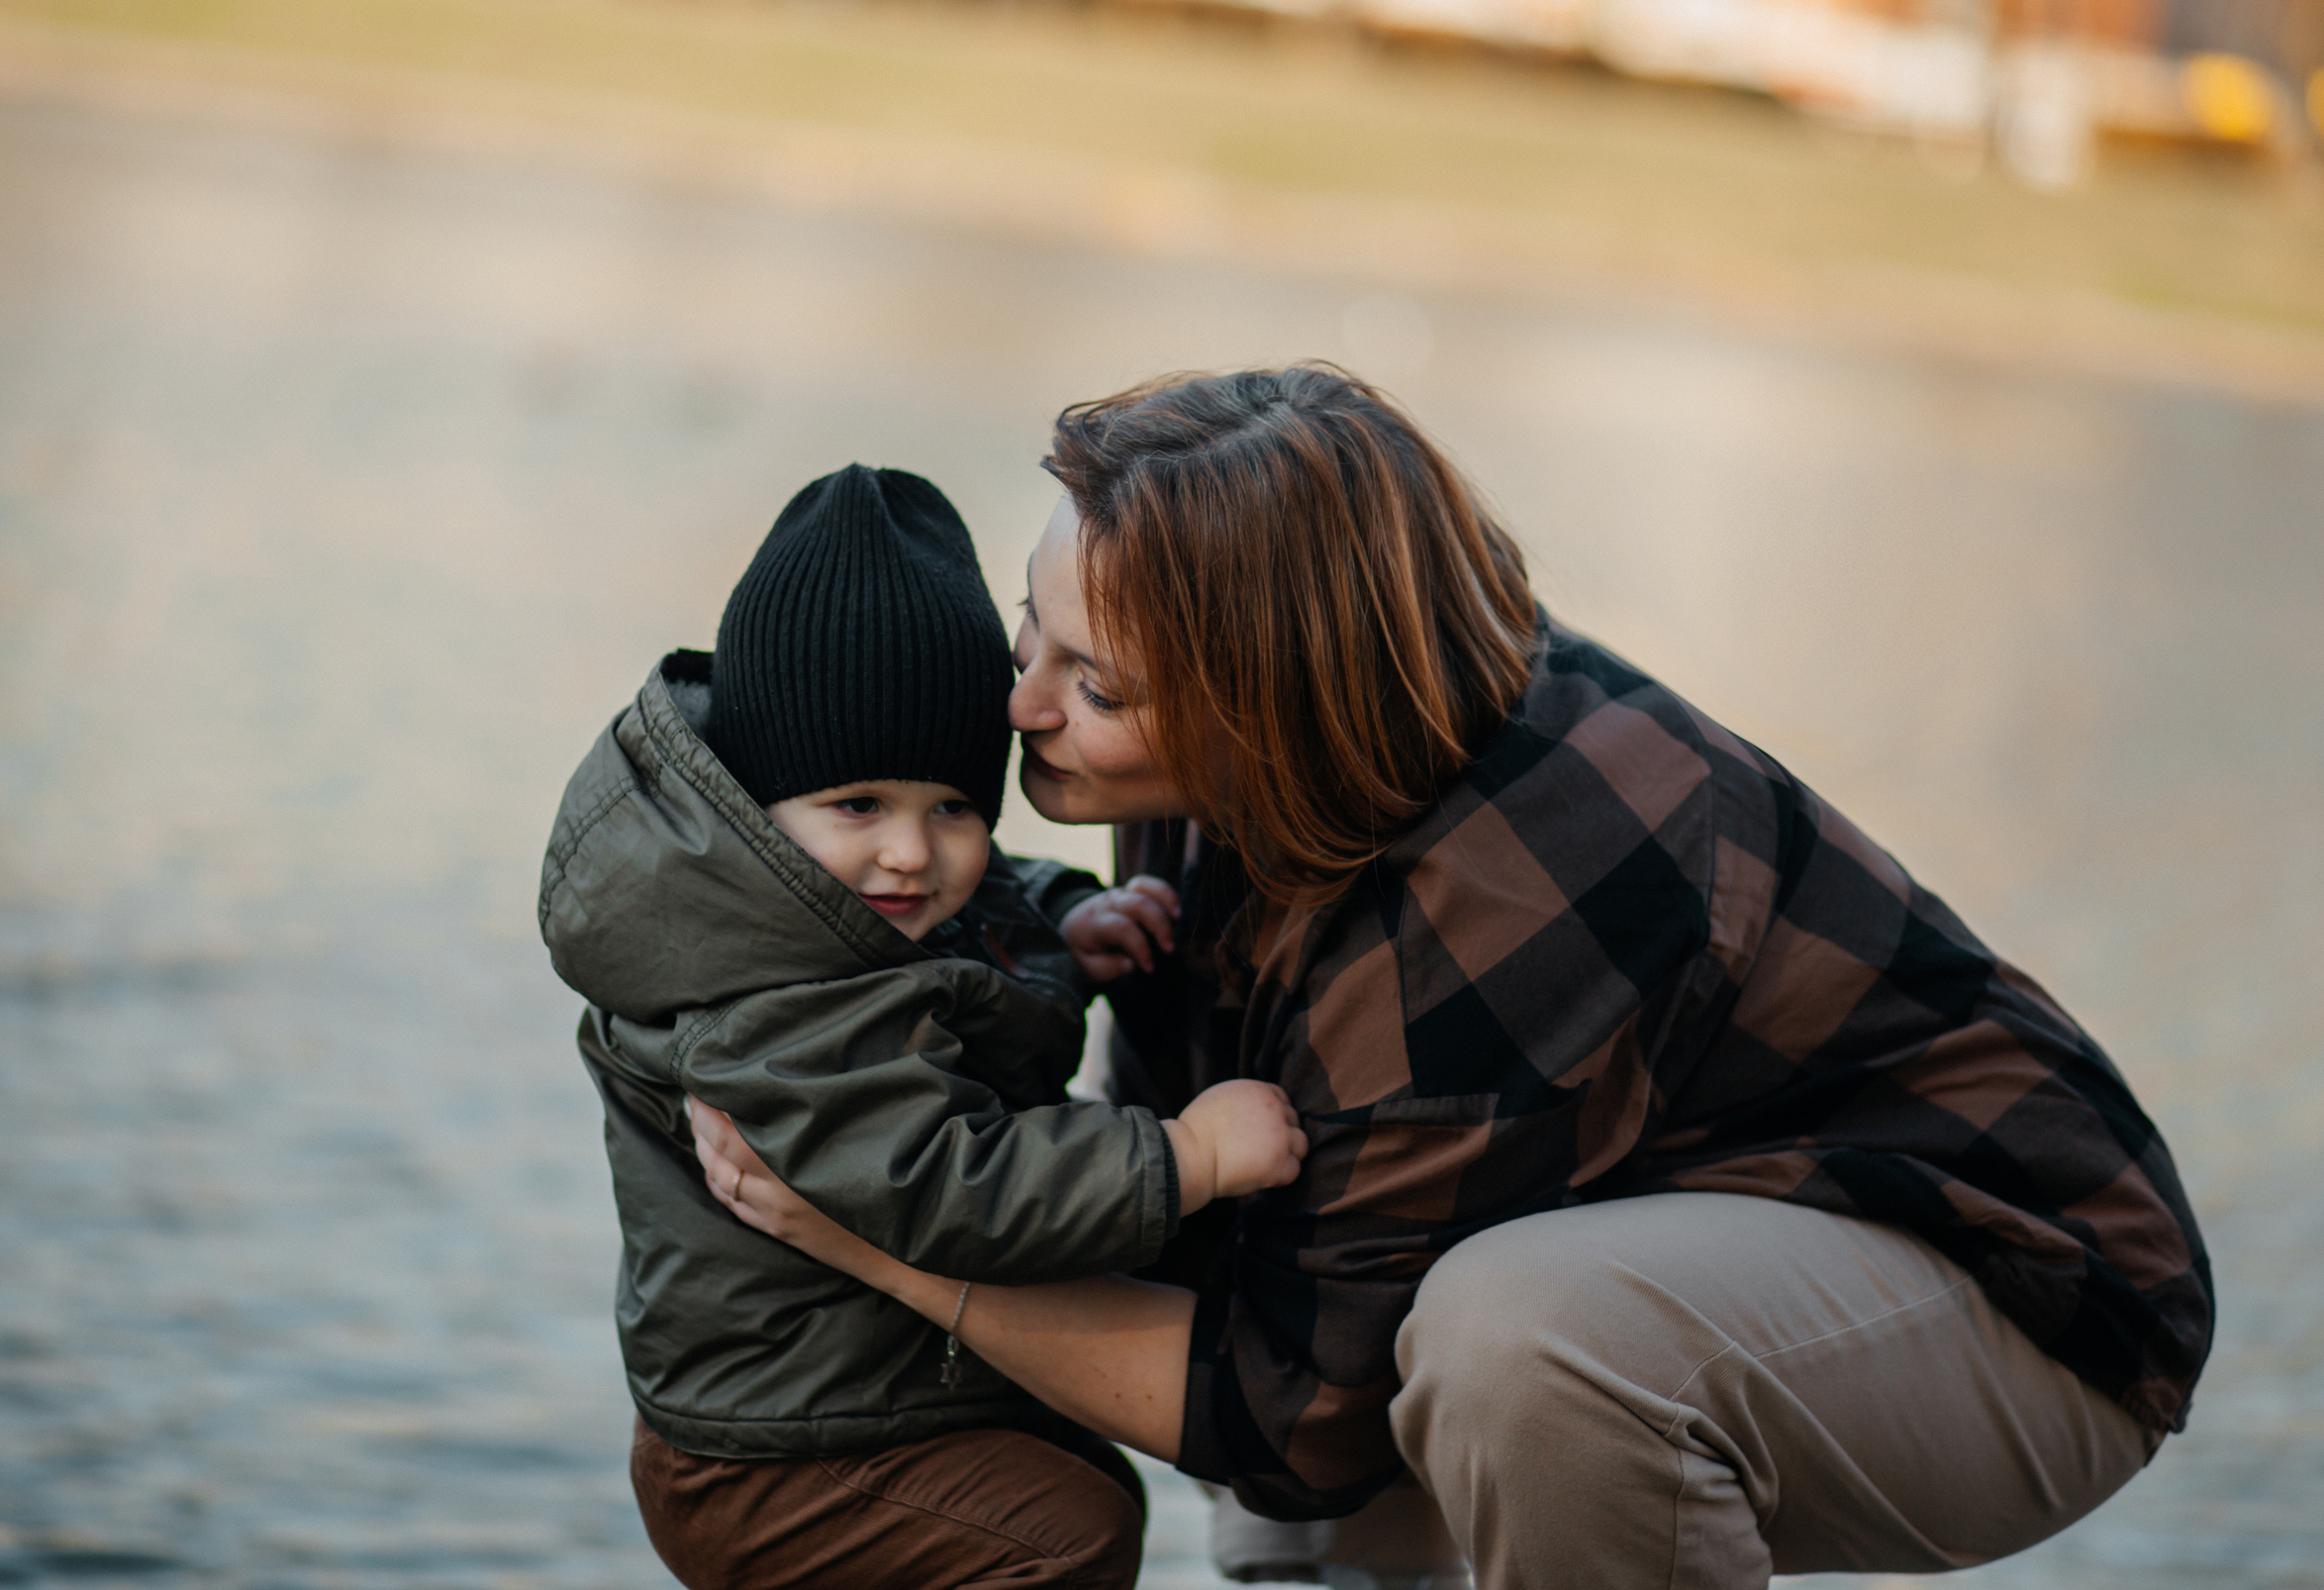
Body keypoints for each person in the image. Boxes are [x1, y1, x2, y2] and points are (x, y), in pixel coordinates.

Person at [689, 368, 2216, 1590]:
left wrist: (878, 1239)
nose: (1017, 705)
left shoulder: (1512, 891)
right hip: (1672, 1207)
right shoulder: (1242, 745)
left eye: (1093, 683)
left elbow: (1283, 1412)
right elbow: (1197, 1216)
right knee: (1278, 1231)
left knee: (1520, 1338)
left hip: (2028, 1305)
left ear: (1270, 702)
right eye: (1034, 621)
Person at [537, 463, 1307, 1590]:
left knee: (1082, 1489)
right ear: (758, 805)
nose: (908, 852)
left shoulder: (832, 902)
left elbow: (975, 902)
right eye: (858, 805)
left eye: (952, 807)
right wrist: (1183, 1156)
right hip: (773, 1454)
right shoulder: (770, 1003)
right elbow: (949, 1183)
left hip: (857, 1398)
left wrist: (1059, 919)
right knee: (1069, 1533)